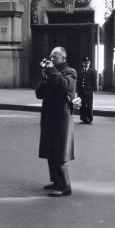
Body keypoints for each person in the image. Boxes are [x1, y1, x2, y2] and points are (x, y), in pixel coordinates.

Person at [35, 47, 77, 197]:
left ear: (63, 58)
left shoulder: (70, 72)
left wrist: (51, 70)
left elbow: (64, 85)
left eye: (55, 57)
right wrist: (44, 76)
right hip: (49, 116)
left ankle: (65, 186)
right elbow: (38, 94)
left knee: (59, 152)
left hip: (61, 117)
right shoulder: (50, 73)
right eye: (50, 57)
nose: (51, 60)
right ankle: (56, 181)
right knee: (50, 150)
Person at [77, 57, 97, 125]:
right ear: (83, 63)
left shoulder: (93, 71)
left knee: (89, 106)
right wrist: (78, 91)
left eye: (87, 63)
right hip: (81, 92)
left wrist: (92, 90)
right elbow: (78, 81)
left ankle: (90, 120)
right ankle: (83, 119)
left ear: (89, 63)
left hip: (89, 92)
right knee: (82, 106)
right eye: (85, 63)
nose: (86, 64)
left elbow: (94, 82)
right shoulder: (81, 71)